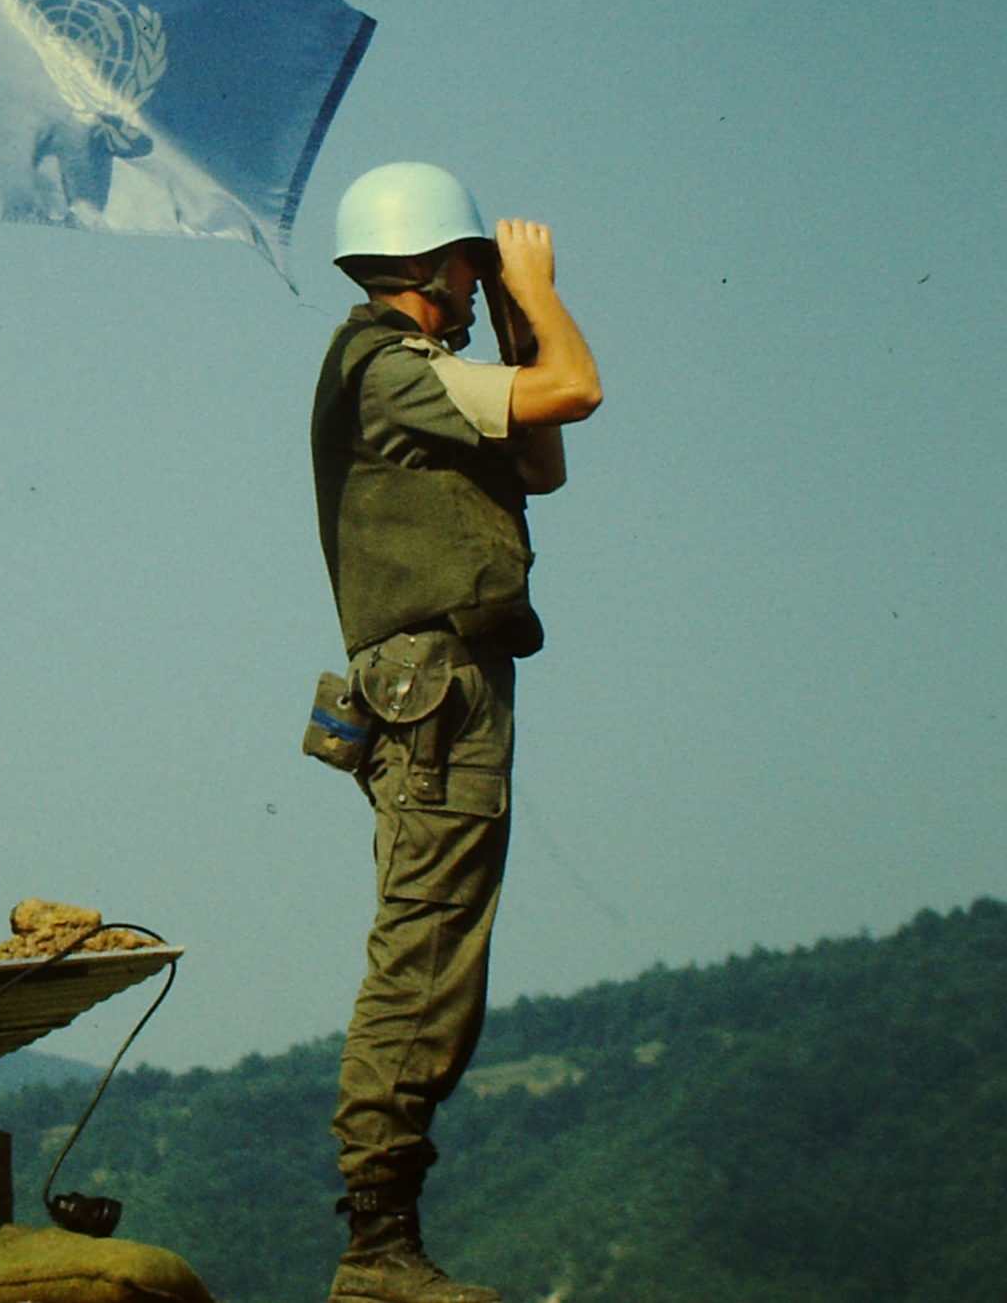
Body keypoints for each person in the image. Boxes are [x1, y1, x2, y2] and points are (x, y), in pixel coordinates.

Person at [311, 161, 602, 1303]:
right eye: (471, 272)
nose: (481, 292)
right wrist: (536, 293)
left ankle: (383, 1238)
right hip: (435, 686)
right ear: (435, 267)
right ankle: (376, 1248)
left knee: (436, 949)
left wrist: (518, 316)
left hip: (443, 683)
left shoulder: (422, 377)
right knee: (425, 951)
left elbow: (543, 460)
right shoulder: (385, 369)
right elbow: (574, 391)